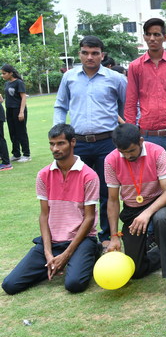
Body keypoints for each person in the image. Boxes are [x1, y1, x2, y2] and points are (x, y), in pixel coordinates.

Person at [2, 124, 101, 294]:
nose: (55, 149)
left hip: (81, 239)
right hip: (52, 242)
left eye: (60, 143)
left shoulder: (89, 175)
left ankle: (91, 252)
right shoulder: (43, 175)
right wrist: (48, 253)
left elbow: (89, 218)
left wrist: (67, 254)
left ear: (73, 142)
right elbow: (44, 215)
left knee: (74, 284)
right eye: (52, 144)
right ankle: (54, 263)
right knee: (10, 285)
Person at [54, 35, 127, 244]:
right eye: (85, 53)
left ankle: (107, 236)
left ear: (102, 55)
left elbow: (127, 106)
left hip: (107, 142)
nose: (90, 57)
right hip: (78, 143)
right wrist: (58, 132)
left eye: (95, 53)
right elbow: (60, 106)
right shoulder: (69, 77)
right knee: (77, 191)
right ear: (79, 54)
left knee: (107, 191)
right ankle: (79, 237)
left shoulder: (116, 78)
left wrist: (127, 131)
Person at [104, 124, 166, 299]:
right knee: (136, 270)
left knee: (160, 220)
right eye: (123, 152)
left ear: (141, 141)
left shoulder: (157, 152)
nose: (128, 156)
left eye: (131, 151)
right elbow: (112, 200)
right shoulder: (111, 160)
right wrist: (114, 236)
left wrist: (146, 214)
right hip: (131, 209)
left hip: (158, 202)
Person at [124, 18, 166, 228]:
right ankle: (155, 235)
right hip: (148, 136)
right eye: (149, 34)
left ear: (164, 37)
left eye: (157, 34)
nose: (152, 38)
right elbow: (131, 101)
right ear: (144, 37)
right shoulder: (135, 66)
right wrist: (131, 134)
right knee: (151, 189)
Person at [1, 64, 30, 163]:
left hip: (18, 109)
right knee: (12, 133)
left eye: (4, 73)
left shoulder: (19, 82)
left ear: (10, 73)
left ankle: (26, 154)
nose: (2, 75)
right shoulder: (7, 84)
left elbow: (23, 97)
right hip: (10, 110)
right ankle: (16, 154)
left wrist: (21, 112)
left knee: (21, 132)